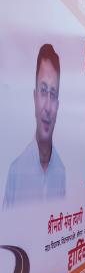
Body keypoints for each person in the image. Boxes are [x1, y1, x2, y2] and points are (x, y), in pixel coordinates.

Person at [4, 44, 66, 207]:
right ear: (34, 98)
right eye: (43, 91)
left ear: (58, 106)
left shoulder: (61, 172)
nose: (47, 107)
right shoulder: (16, 172)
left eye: (53, 94)